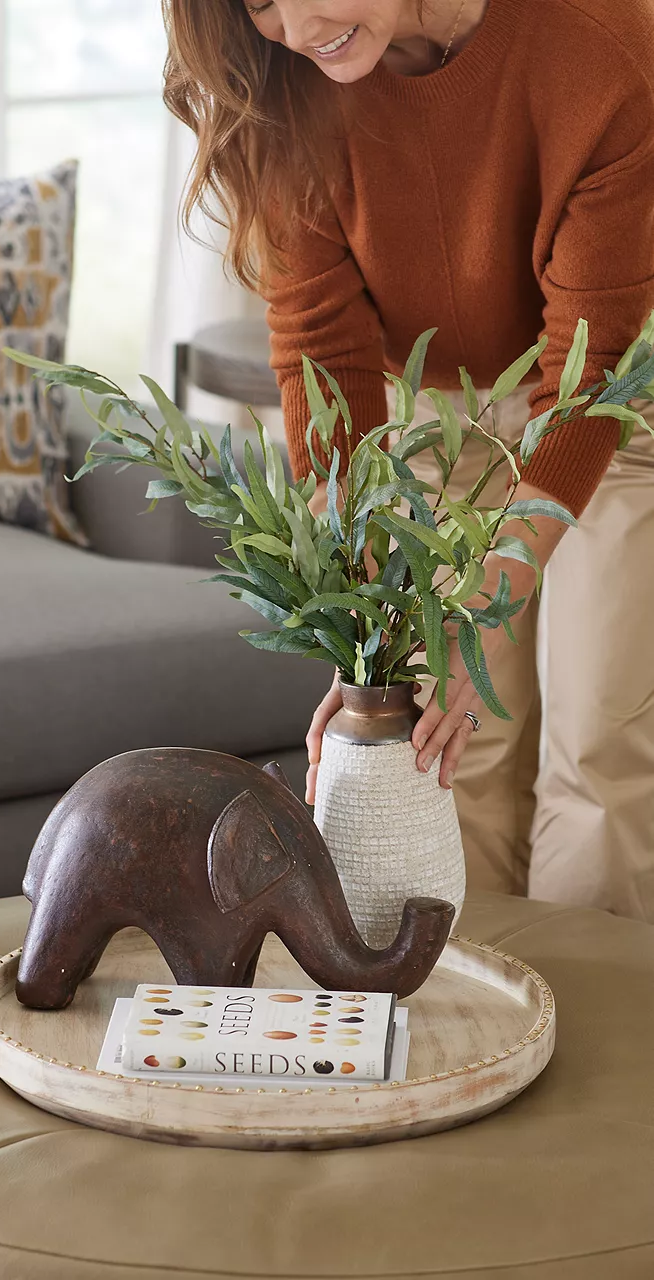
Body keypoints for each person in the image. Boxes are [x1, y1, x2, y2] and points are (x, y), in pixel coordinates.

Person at [162, 0, 654, 919]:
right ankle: (474, 1000)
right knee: (444, 749)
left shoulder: (599, 42)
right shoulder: (283, 83)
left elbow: (589, 377)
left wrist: (496, 602)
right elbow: (324, 356)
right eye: (259, 2)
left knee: (596, 752)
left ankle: (597, 1010)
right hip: (434, 418)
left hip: (612, 409)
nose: (294, 27)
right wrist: (358, 639)